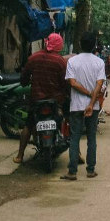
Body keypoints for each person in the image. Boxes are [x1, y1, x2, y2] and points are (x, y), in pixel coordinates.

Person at [13, 33, 69, 165]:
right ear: (59, 45)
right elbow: (65, 82)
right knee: (67, 120)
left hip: (36, 100)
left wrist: (26, 82)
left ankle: (20, 156)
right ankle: (76, 154)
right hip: (55, 102)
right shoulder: (60, 61)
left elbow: (24, 78)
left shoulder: (34, 58)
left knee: (28, 125)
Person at [62, 31, 106, 181]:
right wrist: (91, 102)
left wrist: (86, 94)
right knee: (91, 138)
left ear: (80, 44)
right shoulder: (99, 62)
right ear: (94, 45)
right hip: (92, 108)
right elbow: (99, 85)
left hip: (76, 106)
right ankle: (90, 170)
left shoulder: (72, 62)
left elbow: (72, 83)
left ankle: (72, 171)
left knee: (74, 137)